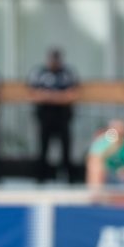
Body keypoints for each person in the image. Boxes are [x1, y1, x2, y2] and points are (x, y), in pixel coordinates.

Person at [28, 48, 80, 183]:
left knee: (66, 148)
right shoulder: (39, 72)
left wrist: (49, 96)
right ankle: (41, 178)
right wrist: (58, 96)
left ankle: (70, 178)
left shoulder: (68, 73)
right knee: (43, 148)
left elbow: (71, 95)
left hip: (63, 117)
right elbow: (34, 95)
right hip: (44, 117)